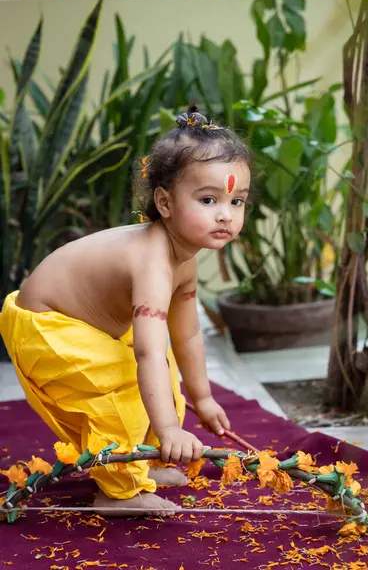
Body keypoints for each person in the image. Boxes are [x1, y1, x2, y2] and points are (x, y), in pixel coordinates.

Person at [0, 107, 252, 517]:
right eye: (208, 199)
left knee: (165, 375)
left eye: (237, 200)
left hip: (88, 327)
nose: (226, 213)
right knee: (120, 391)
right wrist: (171, 428)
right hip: (47, 325)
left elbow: (185, 336)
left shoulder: (184, 259)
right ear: (164, 202)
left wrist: (203, 399)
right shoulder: (153, 260)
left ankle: (146, 458)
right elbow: (145, 353)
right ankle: (119, 491)